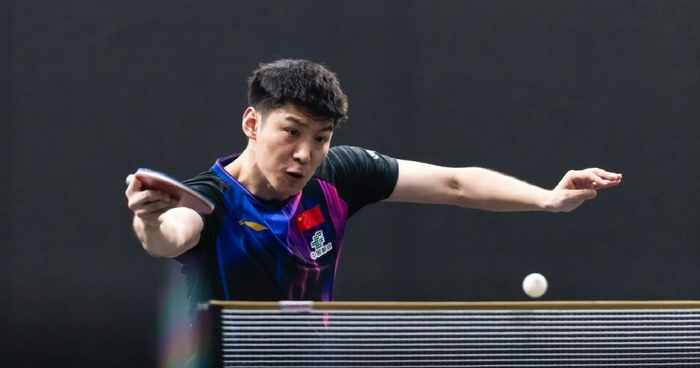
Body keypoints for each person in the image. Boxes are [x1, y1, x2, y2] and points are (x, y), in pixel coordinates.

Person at [126, 58, 622, 311]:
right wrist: (150, 220)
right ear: (252, 124)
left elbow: (453, 183)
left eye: (321, 138)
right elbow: (170, 236)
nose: (305, 154)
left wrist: (548, 199)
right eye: (292, 132)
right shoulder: (211, 197)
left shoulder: (337, 175)